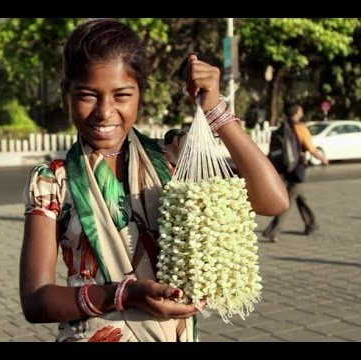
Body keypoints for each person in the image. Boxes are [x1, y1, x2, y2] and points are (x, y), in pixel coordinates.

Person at [20, 18, 289, 342]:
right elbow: (35, 301)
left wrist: (216, 108)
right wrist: (125, 295)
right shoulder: (53, 181)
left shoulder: (172, 157)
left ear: (140, 96)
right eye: (88, 95)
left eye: (122, 95)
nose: (105, 111)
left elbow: (273, 202)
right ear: (66, 94)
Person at [262, 104, 329, 243]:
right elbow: (311, 148)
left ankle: (311, 224)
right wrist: (322, 158)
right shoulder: (301, 128)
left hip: (285, 167)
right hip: (297, 168)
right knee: (289, 199)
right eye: (301, 110)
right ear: (297, 112)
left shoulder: (281, 128)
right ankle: (272, 231)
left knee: (300, 197)